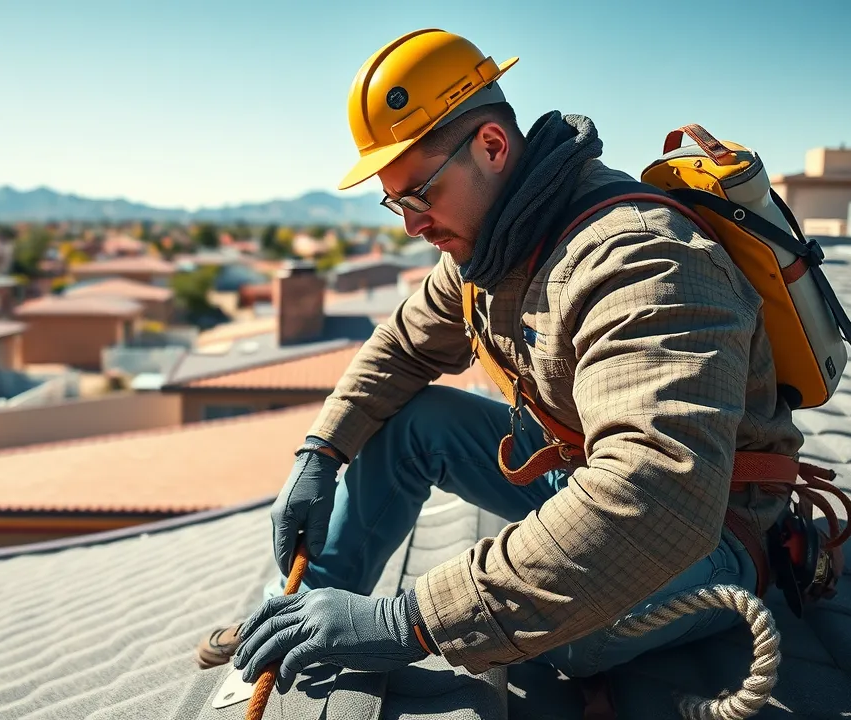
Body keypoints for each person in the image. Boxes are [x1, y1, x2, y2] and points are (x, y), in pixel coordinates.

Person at [195, 28, 802, 694]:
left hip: (707, 526)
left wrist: (409, 622)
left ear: (490, 147)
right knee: (408, 421)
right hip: (579, 475)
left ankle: (372, 620)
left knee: (572, 632)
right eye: (396, 202)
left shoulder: (641, 261)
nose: (411, 226)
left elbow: (657, 492)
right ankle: (302, 615)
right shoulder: (492, 247)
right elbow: (402, 347)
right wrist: (320, 453)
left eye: (419, 195)